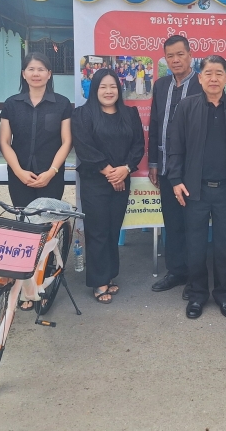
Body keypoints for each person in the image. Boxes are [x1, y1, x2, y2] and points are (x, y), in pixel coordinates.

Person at [167, 55, 226, 320]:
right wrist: (176, 180)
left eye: (219, 73)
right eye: (208, 73)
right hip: (194, 189)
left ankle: (223, 294)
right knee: (195, 245)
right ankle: (197, 295)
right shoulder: (186, 107)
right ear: (200, 77)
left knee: (223, 245)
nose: (214, 78)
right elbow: (175, 147)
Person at [72, 69, 144, 304]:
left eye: (113, 86)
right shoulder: (82, 114)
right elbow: (84, 147)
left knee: (113, 229)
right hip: (95, 181)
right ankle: (98, 281)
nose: (108, 91)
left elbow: (138, 145)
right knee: (98, 231)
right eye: (103, 86)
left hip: (122, 179)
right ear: (95, 89)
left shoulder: (130, 114)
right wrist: (110, 172)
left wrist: (125, 169)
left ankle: (110, 274)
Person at [148, 35, 204, 297]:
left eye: (180, 54)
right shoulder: (160, 86)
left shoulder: (202, 84)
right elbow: (154, 124)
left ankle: (195, 277)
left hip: (194, 169)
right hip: (167, 168)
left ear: (190, 55)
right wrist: (153, 162)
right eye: (170, 56)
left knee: (194, 224)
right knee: (172, 222)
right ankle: (176, 271)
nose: (175, 60)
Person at [0, 52, 73, 208]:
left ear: (49, 74)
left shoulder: (62, 103)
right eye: (31, 69)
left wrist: (52, 171)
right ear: (23, 74)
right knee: (24, 219)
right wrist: (19, 172)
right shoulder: (11, 104)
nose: (36, 74)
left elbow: (67, 142)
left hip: (51, 176)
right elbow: (4, 142)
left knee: (49, 219)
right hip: (19, 176)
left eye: (41, 69)